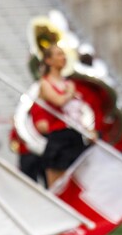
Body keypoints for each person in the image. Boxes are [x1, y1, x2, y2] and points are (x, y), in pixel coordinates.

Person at [33, 45, 89, 186]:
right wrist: (70, 92)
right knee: (57, 187)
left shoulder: (69, 83)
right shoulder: (45, 83)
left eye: (63, 54)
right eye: (58, 54)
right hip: (58, 138)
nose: (63, 58)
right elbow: (58, 101)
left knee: (76, 185)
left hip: (75, 135)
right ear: (48, 60)